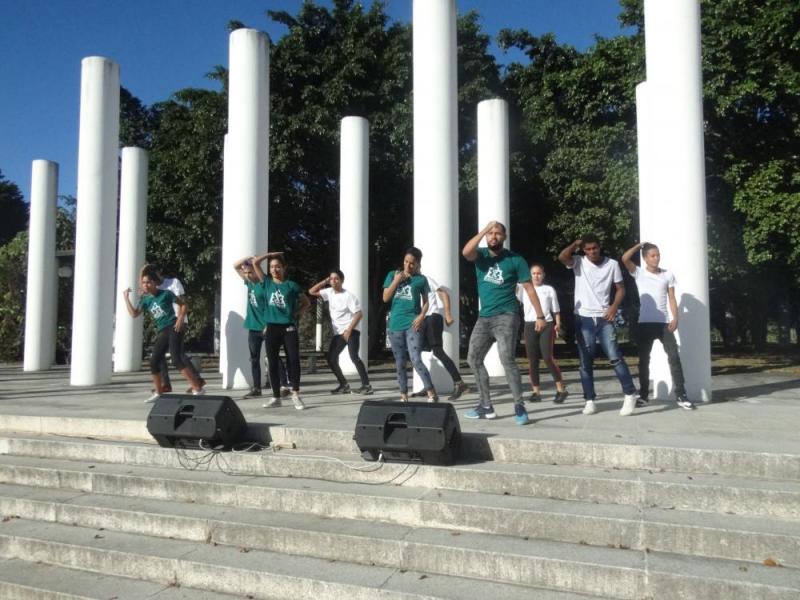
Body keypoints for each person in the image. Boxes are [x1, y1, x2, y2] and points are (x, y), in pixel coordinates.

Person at [462, 221, 546, 425]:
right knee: (473, 359)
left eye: (497, 233)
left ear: (504, 237)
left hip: (507, 316)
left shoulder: (515, 260)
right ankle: (486, 405)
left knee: (506, 358)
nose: (493, 237)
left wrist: (540, 315)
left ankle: (519, 406)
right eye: (490, 233)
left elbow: (529, 289)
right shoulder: (480, 256)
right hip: (484, 317)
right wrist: (483, 231)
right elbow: (466, 252)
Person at [558, 234, 637, 416]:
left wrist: (614, 307)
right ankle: (590, 400)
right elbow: (563, 257)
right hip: (583, 318)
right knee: (585, 361)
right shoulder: (578, 262)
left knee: (614, 356)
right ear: (583, 250)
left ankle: (630, 393)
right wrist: (574, 244)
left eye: (594, 248)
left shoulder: (612, 264)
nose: (592, 252)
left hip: (604, 318)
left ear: (599, 247)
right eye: (588, 249)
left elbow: (621, 289)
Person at [621, 242, 696, 410]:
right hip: (644, 324)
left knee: (674, 358)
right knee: (643, 361)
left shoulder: (668, 275)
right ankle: (644, 396)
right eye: (653, 255)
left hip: (663, 324)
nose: (656, 258)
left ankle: (681, 395)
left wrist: (675, 318)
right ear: (645, 258)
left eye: (658, 255)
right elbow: (625, 258)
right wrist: (639, 246)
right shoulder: (638, 273)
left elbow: (671, 298)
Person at [121, 264, 204, 402]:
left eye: (148, 282)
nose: (145, 285)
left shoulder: (166, 294)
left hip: (173, 326)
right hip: (163, 330)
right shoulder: (146, 300)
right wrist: (126, 298)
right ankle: (159, 391)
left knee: (176, 358)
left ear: (155, 283)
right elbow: (134, 314)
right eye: (143, 283)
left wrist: (180, 318)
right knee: (154, 361)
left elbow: (183, 305)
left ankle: (197, 388)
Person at [252, 251, 309, 410]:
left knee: (293, 359)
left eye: (278, 266)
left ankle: (295, 394)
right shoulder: (267, 282)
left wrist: (296, 313)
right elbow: (256, 263)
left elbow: (306, 303)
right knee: (272, 362)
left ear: (284, 268)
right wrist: (270, 254)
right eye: (272, 267)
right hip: (271, 327)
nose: (274, 269)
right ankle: (276, 397)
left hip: (288, 327)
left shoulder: (292, 285)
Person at [383, 247, 438, 402]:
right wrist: (396, 280)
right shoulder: (392, 275)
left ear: (418, 264)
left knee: (415, 359)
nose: (408, 266)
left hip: (412, 324)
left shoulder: (421, 280)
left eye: (412, 263)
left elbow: (427, 302)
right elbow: (385, 298)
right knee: (400, 362)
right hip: (394, 325)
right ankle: (403, 395)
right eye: (406, 262)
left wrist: (421, 316)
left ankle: (431, 392)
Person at [233, 255, 291, 400]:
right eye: (245, 273)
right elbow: (235, 266)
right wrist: (248, 258)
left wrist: (268, 325)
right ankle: (256, 388)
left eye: (250, 272)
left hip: (266, 326)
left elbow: (272, 306)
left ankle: (285, 385)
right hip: (253, 327)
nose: (247, 275)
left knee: (274, 357)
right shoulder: (249, 283)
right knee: (254, 359)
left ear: (256, 271)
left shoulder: (265, 284)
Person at [308, 269, 372, 395]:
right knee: (331, 358)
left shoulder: (349, 296)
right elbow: (311, 291)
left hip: (351, 331)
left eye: (336, 278)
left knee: (354, 357)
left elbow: (359, 314)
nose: (333, 281)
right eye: (331, 279)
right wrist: (324, 281)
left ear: (342, 280)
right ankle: (344, 384)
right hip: (338, 333)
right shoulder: (329, 292)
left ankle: (367, 385)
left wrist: (349, 330)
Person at [516, 263, 568, 404]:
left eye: (539, 273)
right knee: (532, 360)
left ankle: (560, 389)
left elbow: (556, 309)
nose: (536, 276)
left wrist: (558, 324)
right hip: (529, 324)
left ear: (543, 275)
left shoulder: (549, 289)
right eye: (533, 273)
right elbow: (510, 285)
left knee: (547, 357)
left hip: (547, 324)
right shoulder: (523, 288)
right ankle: (536, 392)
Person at [154, 271, 205, 394]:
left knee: (176, 354)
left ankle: (194, 381)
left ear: (160, 273)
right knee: (169, 353)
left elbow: (182, 300)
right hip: (165, 325)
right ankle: (195, 380)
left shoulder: (173, 282)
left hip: (178, 321)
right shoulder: (154, 288)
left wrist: (180, 318)